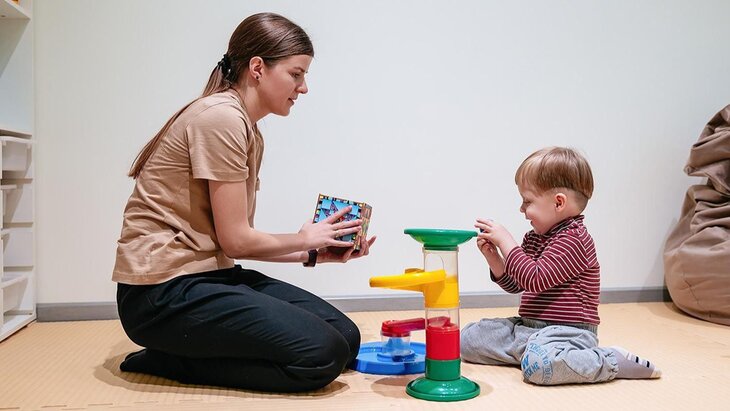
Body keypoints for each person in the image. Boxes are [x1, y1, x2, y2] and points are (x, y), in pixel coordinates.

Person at [112, 12, 376, 393]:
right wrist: (304, 238)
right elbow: (236, 241)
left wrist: (314, 253)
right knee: (322, 355)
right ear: (257, 68)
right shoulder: (220, 119)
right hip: (159, 294)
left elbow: (234, 241)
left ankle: (188, 352)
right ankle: (169, 360)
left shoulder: (246, 127)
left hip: (208, 277)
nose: (303, 88)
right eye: (296, 74)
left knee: (345, 338)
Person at [461, 146, 660, 385]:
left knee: (541, 367)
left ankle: (609, 360)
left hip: (568, 333)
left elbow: (535, 279)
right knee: (468, 340)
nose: (522, 209)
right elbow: (518, 283)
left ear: (558, 203)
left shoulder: (574, 239)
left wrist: (506, 241)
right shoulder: (535, 238)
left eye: (527, 201)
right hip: (529, 329)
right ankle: (538, 356)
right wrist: (494, 259)